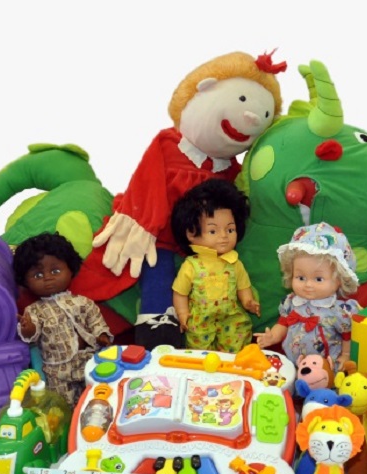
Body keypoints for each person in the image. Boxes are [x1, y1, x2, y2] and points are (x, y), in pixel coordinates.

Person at [69, 51, 286, 347]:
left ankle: (207, 334)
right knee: (154, 272)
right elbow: (146, 184)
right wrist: (144, 223)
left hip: (203, 245)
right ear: (204, 89)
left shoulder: (231, 171)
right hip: (158, 233)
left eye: (264, 115)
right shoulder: (169, 144)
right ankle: (157, 329)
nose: (251, 118)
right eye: (242, 101)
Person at [14, 232, 112, 407]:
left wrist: (102, 335)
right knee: (62, 406)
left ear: (70, 270)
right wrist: (28, 329)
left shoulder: (82, 302)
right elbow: (32, 335)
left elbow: (95, 320)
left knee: (97, 397)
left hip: (90, 361)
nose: (48, 278)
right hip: (57, 372)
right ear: (25, 281)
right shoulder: (34, 310)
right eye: (38, 275)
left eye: (55, 271)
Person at [254, 222, 361, 372]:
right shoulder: (291, 302)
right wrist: (272, 337)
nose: (308, 284)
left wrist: (346, 355)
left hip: (326, 368)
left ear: (339, 280)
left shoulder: (338, 311)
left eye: (318, 279)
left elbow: (347, 335)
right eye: (301, 277)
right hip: (293, 363)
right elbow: (283, 324)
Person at [170, 179, 260, 352]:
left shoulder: (234, 262)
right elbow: (180, 293)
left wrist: (248, 301)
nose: (224, 236)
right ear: (191, 233)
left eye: (230, 229)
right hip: (200, 321)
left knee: (236, 345)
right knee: (199, 351)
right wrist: (182, 313)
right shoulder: (191, 265)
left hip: (231, 318)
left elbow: (243, 287)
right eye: (213, 231)